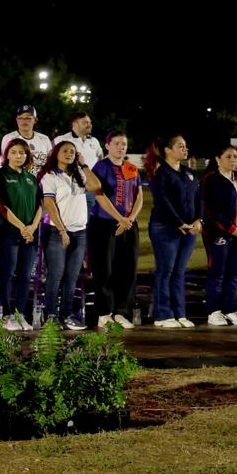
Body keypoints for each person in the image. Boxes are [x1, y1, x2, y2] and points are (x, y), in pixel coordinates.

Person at [39, 138, 102, 330]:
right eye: (65, 151)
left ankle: (67, 315)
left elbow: (96, 185)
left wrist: (84, 164)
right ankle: (51, 316)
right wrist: (62, 230)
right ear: (56, 153)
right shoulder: (50, 176)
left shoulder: (79, 174)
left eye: (73, 152)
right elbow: (49, 204)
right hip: (57, 231)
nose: (69, 154)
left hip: (79, 231)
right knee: (56, 274)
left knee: (72, 276)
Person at [143, 134, 202, 329]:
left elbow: (198, 198)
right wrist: (179, 222)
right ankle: (162, 315)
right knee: (165, 271)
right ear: (168, 150)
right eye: (180, 146)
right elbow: (163, 201)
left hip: (188, 229)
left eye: (186, 146)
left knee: (179, 272)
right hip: (165, 229)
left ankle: (179, 313)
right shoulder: (161, 173)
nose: (185, 149)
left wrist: (198, 219)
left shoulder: (188, 172)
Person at [88, 131, 142, 331]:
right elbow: (99, 195)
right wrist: (119, 218)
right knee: (105, 269)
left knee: (127, 269)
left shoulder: (132, 168)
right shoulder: (101, 167)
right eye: (117, 143)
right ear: (107, 146)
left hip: (128, 224)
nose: (121, 147)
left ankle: (121, 311)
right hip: (104, 224)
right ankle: (104, 313)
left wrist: (130, 219)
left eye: (124, 144)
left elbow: (139, 195)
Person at [201, 146, 237, 327]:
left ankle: (230, 310)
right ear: (218, 159)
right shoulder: (211, 179)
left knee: (233, 274)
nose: (233, 160)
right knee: (217, 273)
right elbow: (210, 209)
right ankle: (213, 312)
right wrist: (229, 228)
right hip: (219, 233)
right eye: (229, 156)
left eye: (235, 157)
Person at [0, 139, 43, 331]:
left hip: (30, 236)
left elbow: (40, 206)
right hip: (9, 233)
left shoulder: (31, 178)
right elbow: (0, 206)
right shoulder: (0, 175)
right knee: (8, 273)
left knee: (25, 275)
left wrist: (32, 228)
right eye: (13, 152)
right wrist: (22, 227)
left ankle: (20, 314)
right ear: (7, 154)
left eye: (22, 152)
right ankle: (7, 315)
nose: (18, 156)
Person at [57, 112, 103, 214]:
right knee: (68, 217)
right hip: (70, 189)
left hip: (90, 189)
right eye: (85, 122)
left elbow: (100, 157)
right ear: (75, 124)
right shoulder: (62, 140)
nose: (89, 125)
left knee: (87, 220)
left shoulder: (94, 141)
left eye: (90, 122)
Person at [0, 104, 53, 174]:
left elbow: (51, 162)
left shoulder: (44, 139)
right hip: (19, 178)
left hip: (42, 179)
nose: (24, 121)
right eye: (20, 118)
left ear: (35, 120)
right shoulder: (9, 138)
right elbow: (4, 163)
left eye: (28, 118)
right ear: (16, 120)